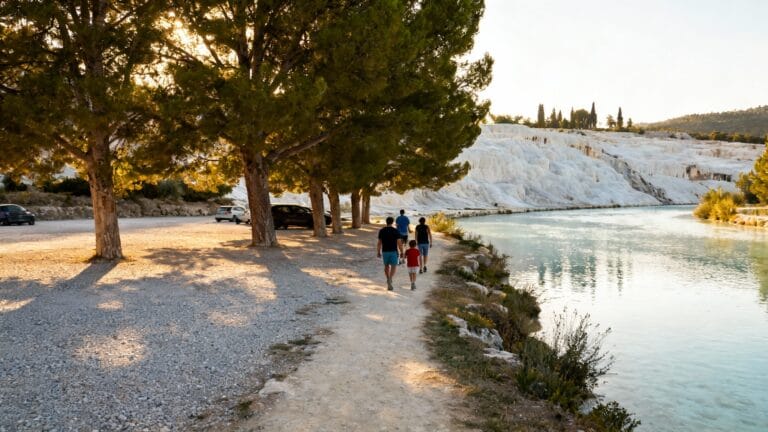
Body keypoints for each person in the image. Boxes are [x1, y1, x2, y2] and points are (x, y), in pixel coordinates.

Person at [377, 216, 403, 291]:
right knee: (394, 266)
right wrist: (402, 252)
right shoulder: (395, 231)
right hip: (393, 251)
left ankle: (388, 278)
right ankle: (390, 278)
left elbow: (379, 243)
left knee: (386, 266)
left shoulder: (382, 231)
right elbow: (399, 243)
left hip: (385, 251)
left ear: (386, 222)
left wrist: (378, 252)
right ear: (392, 222)